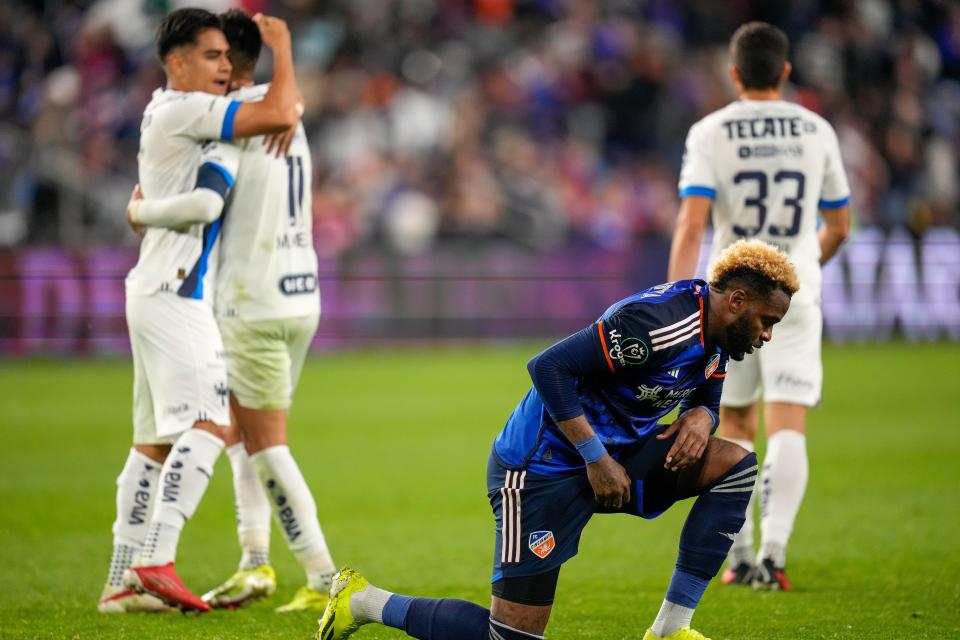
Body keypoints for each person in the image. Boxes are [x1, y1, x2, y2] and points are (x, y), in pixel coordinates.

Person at [317, 239, 799, 640]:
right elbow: (548, 367)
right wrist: (595, 458)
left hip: (622, 454)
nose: (768, 335)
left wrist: (702, 415)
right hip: (540, 468)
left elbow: (709, 387)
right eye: (767, 321)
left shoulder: (720, 332)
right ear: (736, 301)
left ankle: (671, 629)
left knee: (735, 466)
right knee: (510, 639)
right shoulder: (657, 325)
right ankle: (364, 601)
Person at [97, 8, 301, 613]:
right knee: (214, 423)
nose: (225, 68)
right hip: (175, 293)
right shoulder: (186, 108)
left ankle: (119, 583)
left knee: (151, 444)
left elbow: (210, 195)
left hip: (156, 287)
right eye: (212, 56)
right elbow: (276, 113)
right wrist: (283, 54)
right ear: (178, 61)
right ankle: (155, 556)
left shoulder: (179, 115)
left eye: (227, 57)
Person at [667, 21, 850, 591]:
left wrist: (678, 302)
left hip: (731, 300)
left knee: (737, 421)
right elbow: (840, 225)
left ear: (735, 73)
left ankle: (739, 558)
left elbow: (691, 221)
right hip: (794, 297)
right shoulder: (816, 129)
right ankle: (774, 555)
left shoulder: (710, 131)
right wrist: (799, 275)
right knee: (788, 420)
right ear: (787, 72)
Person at [193, 9, 336, 613]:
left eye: (214, 53)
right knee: (245, 436)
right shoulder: (288, 112)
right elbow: (291, 99)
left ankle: (326, 577)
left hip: (251, 302)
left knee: (266, 443)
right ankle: (254, 562)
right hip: (300, 294)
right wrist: (284, 51)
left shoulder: (235, 117)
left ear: (229, 59)